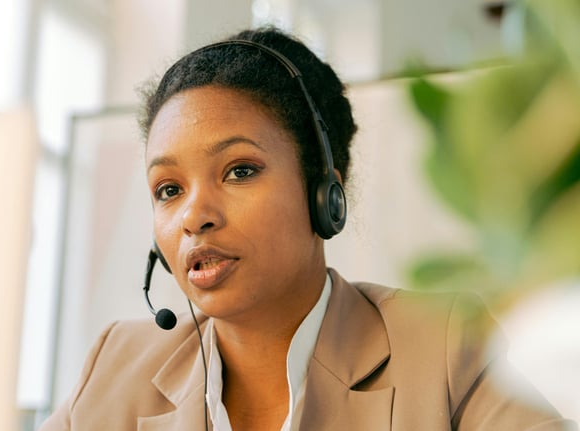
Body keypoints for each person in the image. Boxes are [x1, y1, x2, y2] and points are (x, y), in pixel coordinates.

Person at [39, 27, 576, 431]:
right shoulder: (114, 365)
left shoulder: (443, 347)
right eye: (168, 189)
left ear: (325, 194)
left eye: (239, 171)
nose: (192, 217)